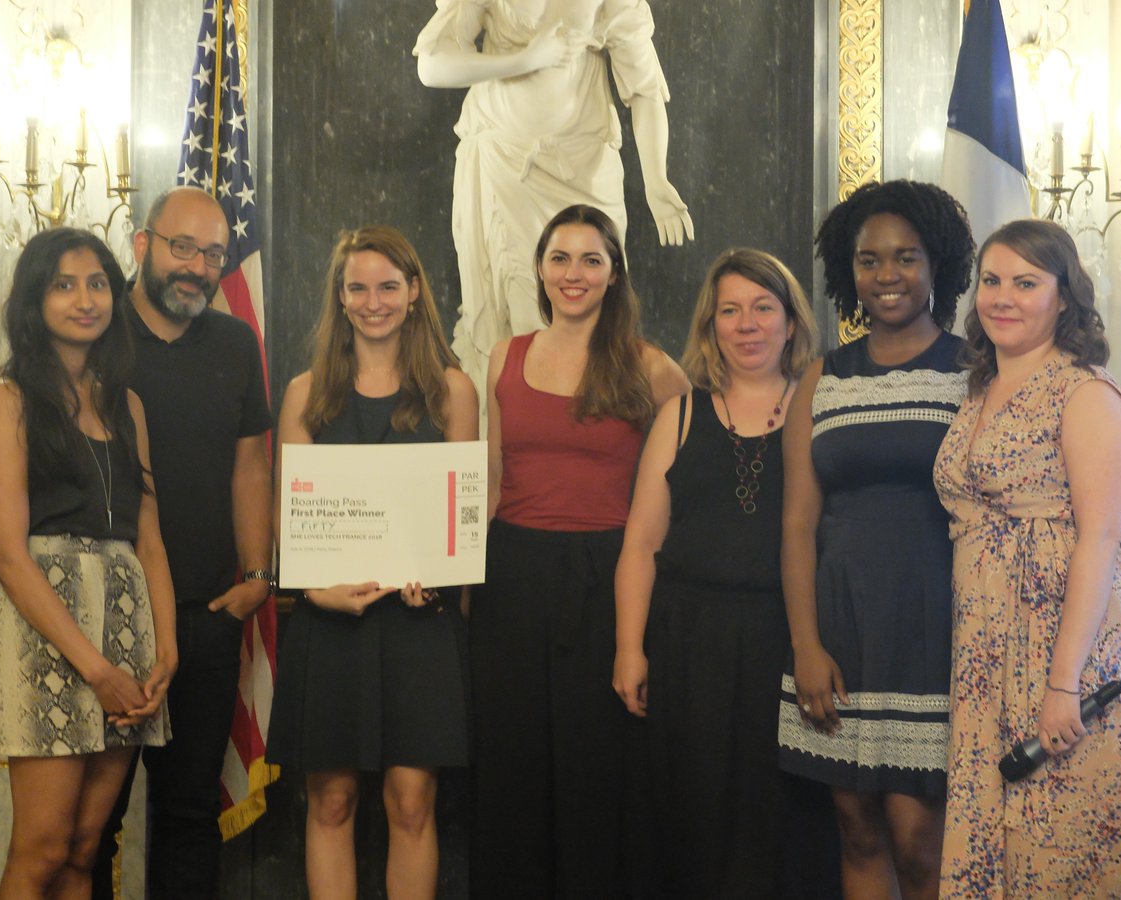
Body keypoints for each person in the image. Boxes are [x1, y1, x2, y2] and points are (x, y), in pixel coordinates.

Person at [472, 203, 689, 896]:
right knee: (511, 762)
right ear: (539, 269)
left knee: (598, 766)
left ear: (615, 272)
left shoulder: (650, 367)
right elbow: (493, 479)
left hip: (606, 579)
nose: (574, 273)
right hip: (510, 575)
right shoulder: (504, 357)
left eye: (591, 259)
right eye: (560, 258)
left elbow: (686, 483)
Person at [613, 248, 836, 896]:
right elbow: (641, 543)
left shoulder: (822, 411)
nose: (747, 324)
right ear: (711, 326)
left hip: (786, 642)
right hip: (690, 646)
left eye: (763, 308)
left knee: (785, 824)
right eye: (730, 311)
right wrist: (630, 648)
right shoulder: (679, 414)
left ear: (791, 322)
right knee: (694, 820)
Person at [266, 225, 478, 899]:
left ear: (414, 293)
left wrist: (437, 578)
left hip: (419, 626)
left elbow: (460, 513)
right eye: (357, 287)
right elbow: (286, 515)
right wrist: (313, 590)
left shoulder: (453, 391)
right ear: (340, 296)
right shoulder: (304, 393)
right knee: (329, 802)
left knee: (412, 803)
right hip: (329, 625)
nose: (373, 301)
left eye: (388, 286)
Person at [777, 180, 976, 899]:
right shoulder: (821, 377)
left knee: (921, 840)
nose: (887, 275)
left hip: (936, 626)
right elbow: (798, 521)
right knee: (857, 826)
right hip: (842, 627)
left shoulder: (971, 370)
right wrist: (805, 644)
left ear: (938, 266)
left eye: (906, 258)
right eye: (869, 260)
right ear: (847, 270)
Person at [934, 219, 1121, 896]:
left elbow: (1102, 539)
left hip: (1063, 649)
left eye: (1026, 283)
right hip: (986, 651)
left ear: (1064, 297)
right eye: (992, 281)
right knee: (993, 841)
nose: (1003, 297)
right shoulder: (979, 387)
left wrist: (1063, 682)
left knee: (1060, 844)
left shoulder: (1085, 393)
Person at [0, 228, 175, 897]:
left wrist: (165, 652)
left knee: (86, 847)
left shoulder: (130, 406)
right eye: (64, 284)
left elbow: (149, 540)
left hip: (127, 625)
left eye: (97, 284)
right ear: (35, 300)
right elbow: (8, 552)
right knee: (42, 845)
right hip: (46, 635)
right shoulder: (8, 399)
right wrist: (95, 668)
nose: (84, 299)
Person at [93, 186, 274, 899]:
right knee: (93, 824)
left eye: (213, 254)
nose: (198, 266)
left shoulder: (235, 342)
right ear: (143, 246)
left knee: (190, 816)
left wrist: (257, 575)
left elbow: (251, 464)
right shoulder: (95, 337)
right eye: (182, 247)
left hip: (206, 616)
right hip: (104, 621)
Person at [414, 0, 693, 407]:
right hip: (506, 167)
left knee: (597, 314)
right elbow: (433, 64)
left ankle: (591, 435)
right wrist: (523, 59)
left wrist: (656, 179)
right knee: (519, 317)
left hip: (586, 170)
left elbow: (645, 88)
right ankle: (520, 438)